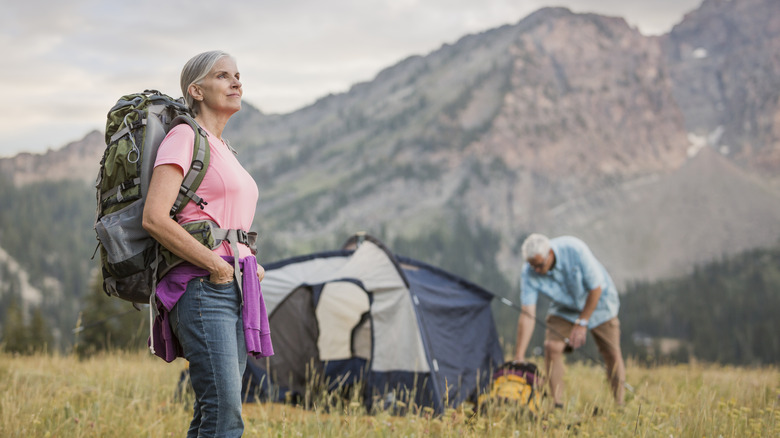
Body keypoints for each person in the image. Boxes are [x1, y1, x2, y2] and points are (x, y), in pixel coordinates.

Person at [143, 50, 273, 437]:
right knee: (225, 412)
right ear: (196, 90)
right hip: (202, 288)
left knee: (212, 410)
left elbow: (228, 223)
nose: (236, 82)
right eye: (223, 76)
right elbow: (154, 217)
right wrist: (216, 265)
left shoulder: (225, 149)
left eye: (237, 75)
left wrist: (247, 260)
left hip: (235, 286)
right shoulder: (185, 136)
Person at [513, 233, 625, 407]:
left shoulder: (574, 249)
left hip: (599, 302)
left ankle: (619, 404)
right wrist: (519, 357)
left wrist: (582, 322)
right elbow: (528, 313)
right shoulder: (529, 272)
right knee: (552, 347)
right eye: (531, 265)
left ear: (550, 253)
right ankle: (557, 404)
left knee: (611, 353)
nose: (535, 270)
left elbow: (596, 289)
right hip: (565, 309)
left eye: (539, 265)